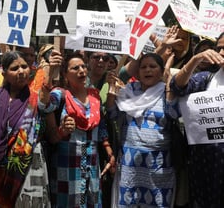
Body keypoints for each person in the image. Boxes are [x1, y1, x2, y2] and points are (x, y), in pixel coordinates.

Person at [0, 51, 52, 207]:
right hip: (0, 172)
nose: (21, 71)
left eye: (24, 67)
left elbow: (46, 98)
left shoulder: (36, 97)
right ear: (4, 74)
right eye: (14, 68)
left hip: (30, 167)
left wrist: (52, 68)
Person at [39, 51, 115, 207]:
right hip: (67, 169)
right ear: (65, 74)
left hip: (92, 168)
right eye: (75, 68)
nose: (81, 71)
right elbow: (43, 104)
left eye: (83, 66)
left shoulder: (95, 96)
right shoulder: (60, 95)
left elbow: (100, 127)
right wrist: (63, 131)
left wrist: (108, 151)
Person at [106, 53, 180, 208]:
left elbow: (173, 114)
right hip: (130, 164)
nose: (148, 70)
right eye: (143, 67)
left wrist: (169, 86)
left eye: (153, 67)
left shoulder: (166, 92)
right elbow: (113, 114)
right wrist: (111, 93)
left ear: (161, 72)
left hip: (158, 165)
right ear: (137, 72)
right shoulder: (128, 91)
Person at [169, 32, 224, 207]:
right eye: (219, 48)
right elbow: (177, 86)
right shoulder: (206, 79)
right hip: (206, 166)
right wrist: (195, 60)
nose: (221, 53)